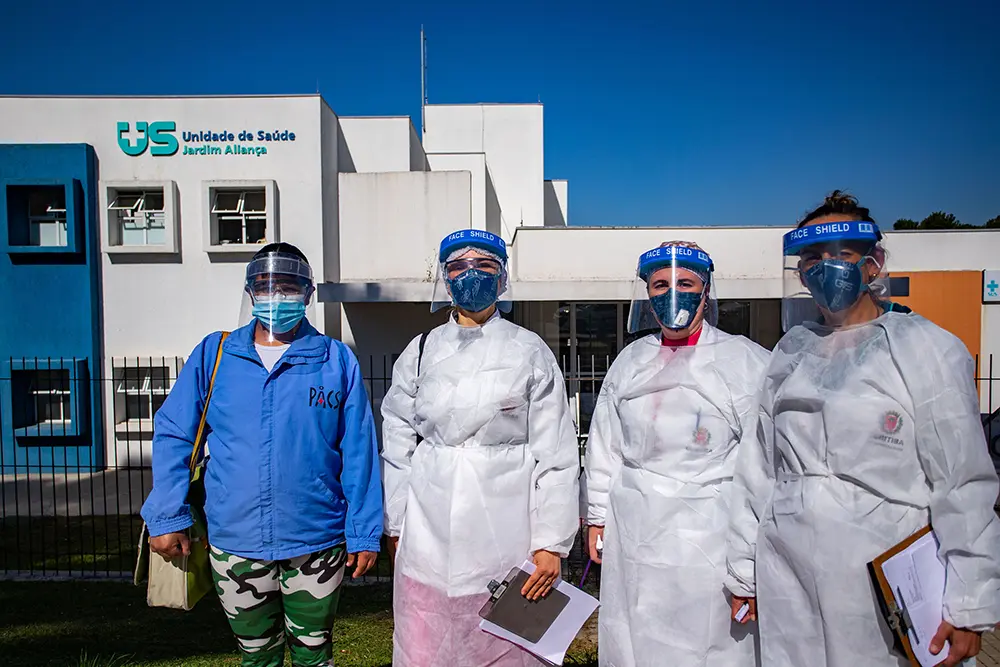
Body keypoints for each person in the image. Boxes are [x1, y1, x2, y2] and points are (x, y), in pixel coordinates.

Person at [726, 191, 1000, 667]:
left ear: (873, 264)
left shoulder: (925, 348)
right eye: (812, 258)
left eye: (841, 254)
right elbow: (758, 469)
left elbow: (962, 481)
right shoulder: (791, 352)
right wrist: (743, 570)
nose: (824, 268)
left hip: (883, 571)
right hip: (788, 569)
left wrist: (970, 602)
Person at [140, 243, 383, 667]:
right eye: (267, 286)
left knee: (314, 655)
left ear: (307, 294)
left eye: (289, 287)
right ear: (251, 291)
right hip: (236, 541)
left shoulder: (334, 359)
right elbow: (175, 432)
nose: (278, 296)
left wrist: (363, 532)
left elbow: (359, 450)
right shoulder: (216, 355)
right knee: (256, 657)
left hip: (316, 540)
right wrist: (167, 516)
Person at [381, 228, 581, 667]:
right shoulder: (421, 352)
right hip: (428, 532)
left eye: (485, 265)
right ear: (445, 277)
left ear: (503, 277)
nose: (471, 275)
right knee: (425, 643)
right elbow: (397, 441)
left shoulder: (529, 351)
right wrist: (397, 523)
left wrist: (551, 542)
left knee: (504, 645)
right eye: (458, 266)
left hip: (505, 531)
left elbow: (557, 454)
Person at [583, 241, 770, 667]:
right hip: (634, 529)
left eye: (685, 283)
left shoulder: (743, 361)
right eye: (660, 285)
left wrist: (748, 565)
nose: (672, 294)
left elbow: (761, 467)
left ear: (706, 290)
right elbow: (605, 446)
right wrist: (597, 516)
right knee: (634, 633)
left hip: (708, 535)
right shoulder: (632, 360)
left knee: (706, 643)